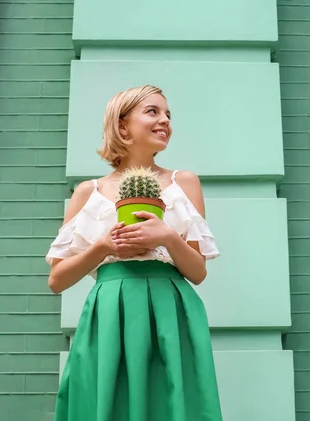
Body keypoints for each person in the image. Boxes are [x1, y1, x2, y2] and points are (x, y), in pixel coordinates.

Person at [46, 85, 223, 421]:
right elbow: (56, 280)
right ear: (123, 125)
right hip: (110, 312)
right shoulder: (88, 192)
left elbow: (198, 272)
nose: (165, 121)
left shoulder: (184, 182)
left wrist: (168, 237)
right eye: (153, 111)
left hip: (170, 311)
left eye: (168, 114)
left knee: (170, 403)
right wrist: (103, 247)